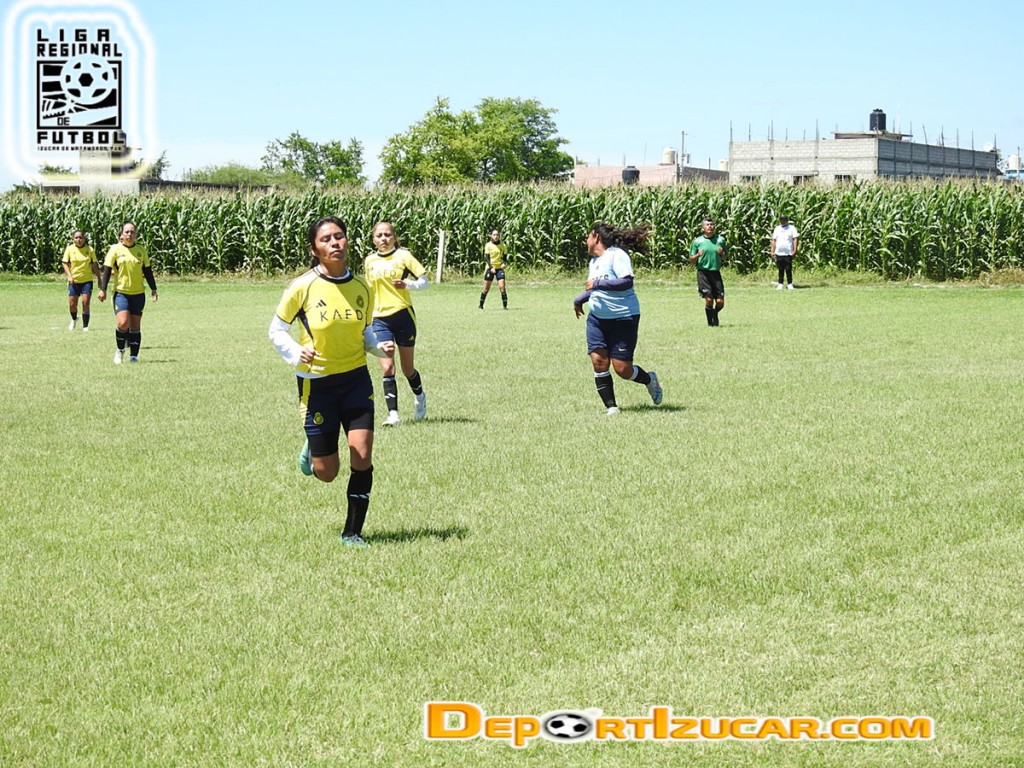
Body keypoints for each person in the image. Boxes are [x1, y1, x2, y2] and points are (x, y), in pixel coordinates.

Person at [268, 216, 393, 548]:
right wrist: (296, 352)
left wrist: (377, 347)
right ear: (314, 249)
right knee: (327, 473)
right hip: (317, 384)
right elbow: (276, 330)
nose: (335, 242)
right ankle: (314, 448)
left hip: (355, 380)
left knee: (362, 456)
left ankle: (352, 532)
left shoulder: (361, 288)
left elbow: (364, 331)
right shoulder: (302, 286)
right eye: (326, 239)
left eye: (339, 236)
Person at [573, 222, 662, 415]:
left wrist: (597, 283)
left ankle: (649, 380)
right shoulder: (594, 261)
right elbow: (597, 289)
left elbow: (626, 282)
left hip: (623, 318)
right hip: (597, 320)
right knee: (599, 361)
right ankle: (612, 408)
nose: (586, 240)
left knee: (623, 369)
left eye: (588, 236)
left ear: (596, 237)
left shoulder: (617, 255)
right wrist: (580, 299)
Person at [364, 221, 429, 426]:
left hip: (403, 315)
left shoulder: (403, 256)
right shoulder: (369, 261)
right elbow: (368, 290)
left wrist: (408, 284)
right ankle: (393, 415)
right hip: (379, 318)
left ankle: (420, 397)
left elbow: (424, 282)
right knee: (387, 366)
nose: (383, 239)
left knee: (407, 369)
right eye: (379, 235)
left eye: (387, 235)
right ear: (373, 239)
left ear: (394, 237)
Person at [97, 222, 158, 363]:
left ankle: (134, 357)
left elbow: (147, 271)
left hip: (138, 294)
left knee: (135, 326)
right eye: (127, 232)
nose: (129, 234)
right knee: (123, 323)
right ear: (122, 234)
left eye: (132, 232)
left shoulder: (141, 251)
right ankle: (120, 350)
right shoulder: (115, 250)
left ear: (136, 234)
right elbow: (107, 270)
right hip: (121, 293)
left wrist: (153, 289)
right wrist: (102, 289)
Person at [689, 217, 726, 327]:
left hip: (716, 273)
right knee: (709, 299)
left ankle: (714, 313)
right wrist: (698, 255)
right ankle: (710, 323)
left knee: (720, 302)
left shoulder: (720, 240)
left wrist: (722, 254)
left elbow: (725, 258)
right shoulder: (697, 241)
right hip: (703, 273)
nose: (710, 226)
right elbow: (691, 259)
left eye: (711, 224)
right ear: (702, 228)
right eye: (707, 224)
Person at [61, 230, 100, 332]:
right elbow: (65, 263)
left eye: (81, 238)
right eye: (76, 238)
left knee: (85, 302)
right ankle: (74, 318)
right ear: (73, 239)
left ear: (84, 239)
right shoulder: (70, 249)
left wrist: (99, 278)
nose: (79, 240)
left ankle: (85, 326)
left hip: (86, 281)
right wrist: (69, 276)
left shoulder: (89, 250)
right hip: (74, 281)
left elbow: (94, 265)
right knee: (72, 304)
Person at [479, 229, 508, 309]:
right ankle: (481, 305)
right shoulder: (488, 245)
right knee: (486, 289)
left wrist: (504, 263)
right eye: (494, 235)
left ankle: (505, 306)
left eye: (497, 235)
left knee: (502, 287)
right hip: (490, 268)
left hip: (499, 268)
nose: (496, 236)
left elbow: (505, 257)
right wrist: (491, 267)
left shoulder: (503, 245)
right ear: (491, 236)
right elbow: (487, 258)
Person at [771, 214, 799, 290]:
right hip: (779, 252)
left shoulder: (792, 228)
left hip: (788, 252)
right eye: (781, 220)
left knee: (788, 269)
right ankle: (780, 284)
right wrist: (772, 251)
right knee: (780, 269)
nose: (782, 221)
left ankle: (790, 283)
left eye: (784, 219)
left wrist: (795, 250)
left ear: (787, 220)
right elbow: (774, 240)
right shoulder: (777, 229)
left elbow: (795, 239)